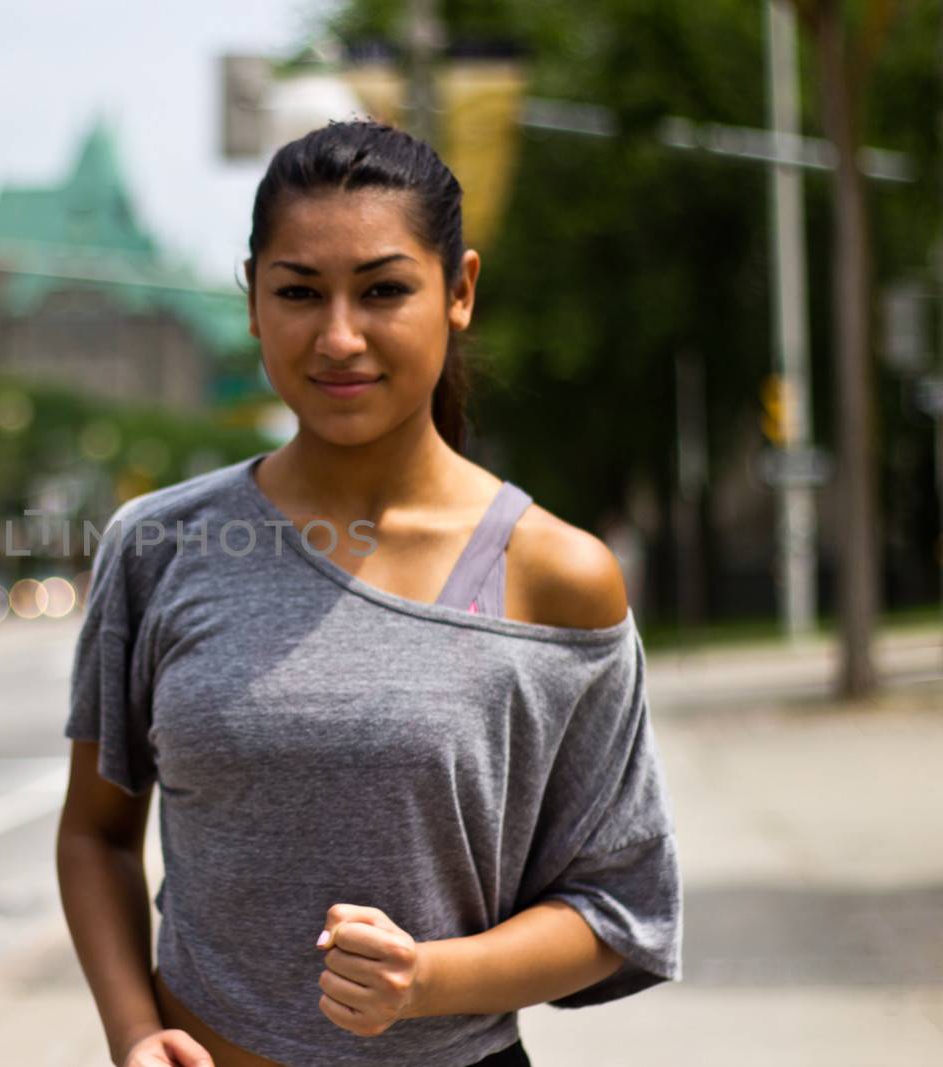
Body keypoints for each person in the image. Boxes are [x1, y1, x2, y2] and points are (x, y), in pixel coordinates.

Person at [55, 120, 682, 1067]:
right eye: (299, 292)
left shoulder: (555, 574)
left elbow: (618, 904)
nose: (339, 336)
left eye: (384, 290)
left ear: (459, 290)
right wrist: (135, 1034)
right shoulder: (158, 547)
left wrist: (428, 979)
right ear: (254, 302)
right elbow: (97, 835)